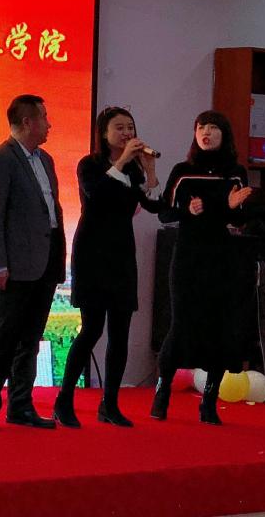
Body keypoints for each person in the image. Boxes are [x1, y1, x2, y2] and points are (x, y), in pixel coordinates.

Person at [53, 107, 161, 429]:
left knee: (120, 332)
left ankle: (110, 404)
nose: (127, 133)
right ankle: (64, 400)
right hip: (93, 253)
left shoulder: (134, 170)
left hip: (122, 254)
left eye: (130, 127)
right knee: (92, 329)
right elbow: (96, 195)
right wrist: (122, 161)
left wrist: (150, 173)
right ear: (104, 133)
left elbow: (153, 205)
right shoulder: (90, 165)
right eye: (119, 128)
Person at [151, 110, 252, 425]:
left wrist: (230, 208)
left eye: (212, 128)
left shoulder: (235, 173)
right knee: (180, 325)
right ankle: (162, 391)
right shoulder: (183, 171)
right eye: (200, 128)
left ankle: (209, 400)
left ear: (224, 134)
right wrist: (187, 209)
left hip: (221, 259)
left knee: (219, 327)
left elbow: (240, 219)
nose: (206, 133)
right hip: (187, 258)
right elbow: (164, 213)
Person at [0, 94, 65, 432]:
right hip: (16, 264)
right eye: (44, 117)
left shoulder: (46, 159)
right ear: (27, 122)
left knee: (31, 338)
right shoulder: (1, 158)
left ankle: (21, 406)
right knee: (5, 337)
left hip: (46, 260)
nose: (49, 124)